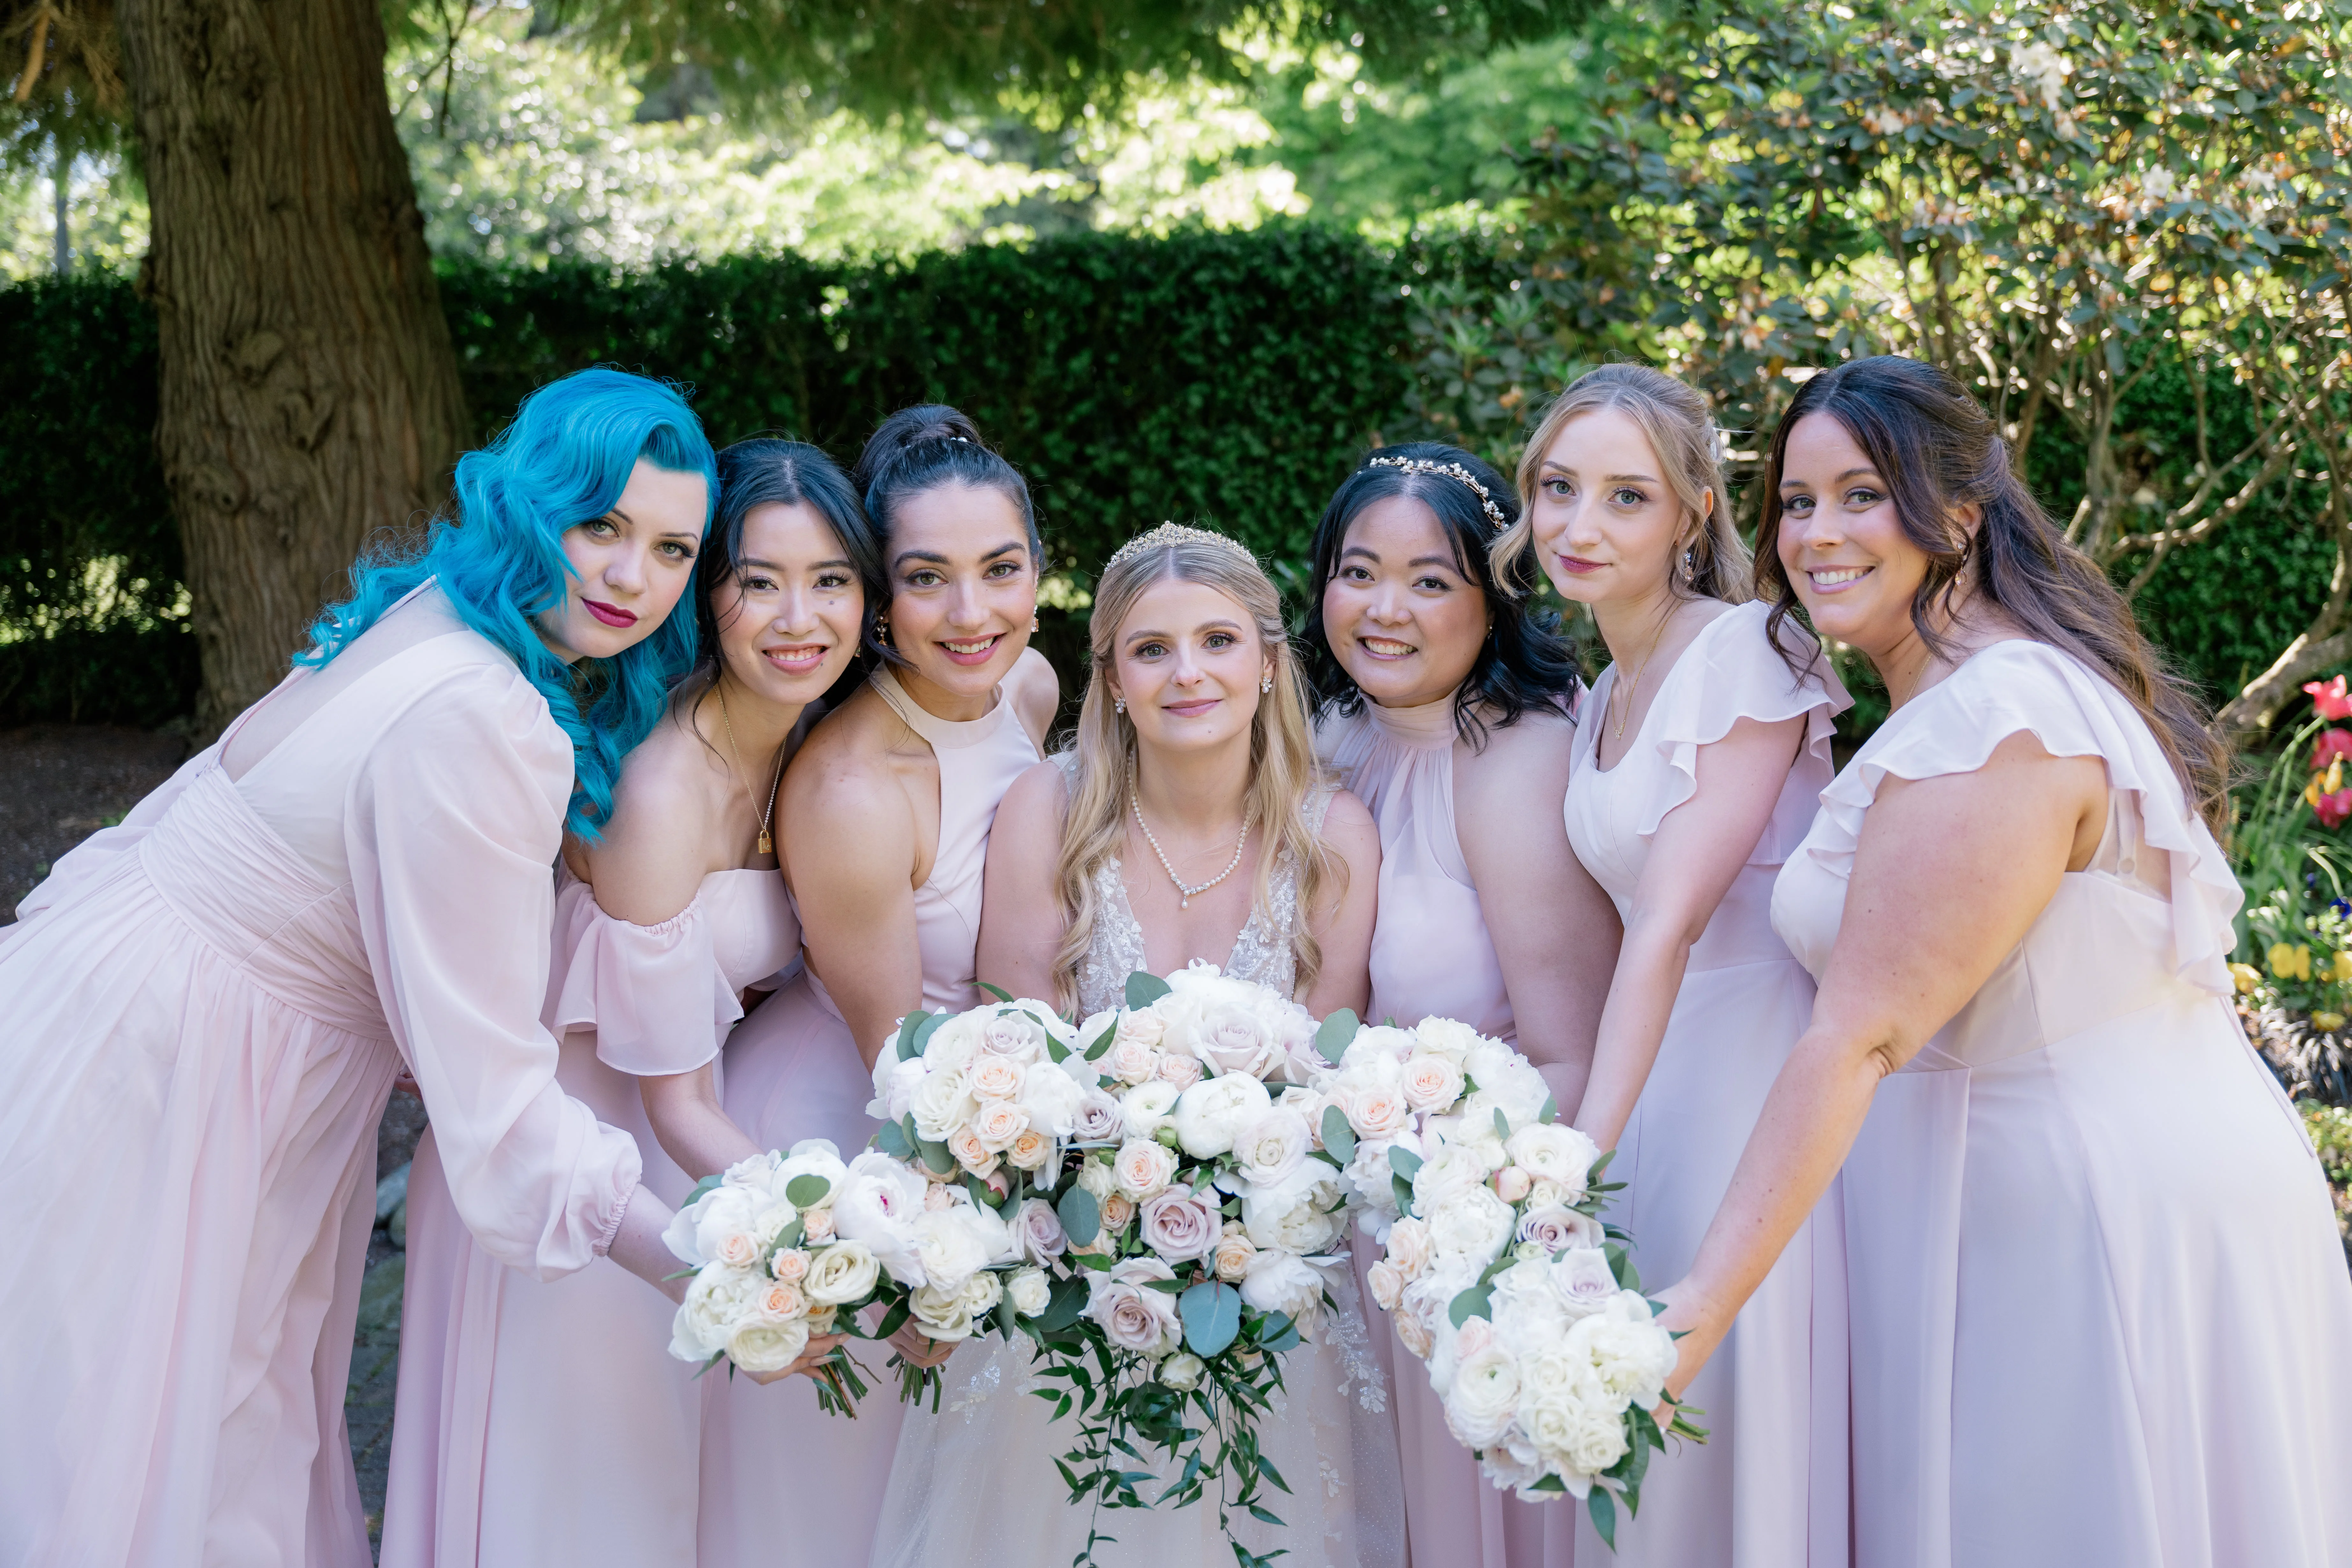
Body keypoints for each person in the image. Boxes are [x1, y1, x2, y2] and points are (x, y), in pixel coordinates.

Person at [0, 369, 833, 1566]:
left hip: (101, 997)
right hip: (178, 1079)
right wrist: (711, 1270)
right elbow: (496, 1112)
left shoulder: (433, 610)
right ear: (530, 501)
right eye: (598, 524)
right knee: (121, 1443)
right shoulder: (487, 719)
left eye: (668, 549)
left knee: (185, 1429)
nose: (627, 577)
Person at [1654, 354, 2352, 1567]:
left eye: (1860, 495)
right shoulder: (1975, 698)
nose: (1817, 533)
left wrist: (1689, 1318)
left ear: (1957, 516)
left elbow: (1862, 1032)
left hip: (2086, 1211)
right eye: (1798, 503)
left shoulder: (1998, 719)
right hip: (2042, 1191)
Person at [379, 438, 875, 1567]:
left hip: (673, 1147)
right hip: (583, 1162)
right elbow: (678, 1107)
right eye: (759, 582)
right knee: (586, 1502)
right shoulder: (662, 789)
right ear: (709, 600)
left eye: (830, 580)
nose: (798, 617)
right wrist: (827, 1246)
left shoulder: (800, 738)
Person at [870, 522, 1401, 1568]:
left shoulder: (1333, 833)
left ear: (1266, 661)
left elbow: (1332, 1076)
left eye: (1217, 642)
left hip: (1264, 1277)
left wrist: (1233, 1222)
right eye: (1151, 650)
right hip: (1067, 1263)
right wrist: (1117, 1206)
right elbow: (1010, 1054)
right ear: (1109, 676)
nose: (1187, 673)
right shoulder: (1050, 810)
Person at [692, 405, 1058, 1567]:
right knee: (846, 1506)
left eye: (999, 571)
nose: (970, 614)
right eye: (925, 579)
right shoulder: (855, 788)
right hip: (861, 1128)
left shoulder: (1030, 689)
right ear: (879, 599)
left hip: (991, 1099)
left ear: (1039, 574)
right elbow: (900, 1065)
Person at [1512, 365, 1849, 1566]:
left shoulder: (1747, 655)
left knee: (1720, 1403)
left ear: (1694, 513)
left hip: (1750, 1060)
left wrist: (1572, 1158)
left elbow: (1668, 923)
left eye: (1624, 498)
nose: (1578, 527)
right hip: (1653, 1063)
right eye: (1558, 489)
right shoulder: (1602, 688)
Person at [1304, 441, 1622, 1567]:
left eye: (1431, 580)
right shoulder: (1325, 744)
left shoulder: (1517, 760)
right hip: (1333, 1232)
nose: (1384, 609)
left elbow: (1576, 1059)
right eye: (1358, 570)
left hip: (1468, 1250)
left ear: (1495, 598)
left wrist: (1492, 1274)